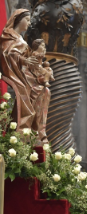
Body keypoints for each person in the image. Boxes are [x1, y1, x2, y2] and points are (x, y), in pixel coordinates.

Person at [0, 9, 50, 144]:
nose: (29, 23)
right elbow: (8, 53)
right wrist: (24, 61)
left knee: (44, 91)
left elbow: (28, 59)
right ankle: (22, 131)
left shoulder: (21, 39)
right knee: (27, 91)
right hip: (15, 73)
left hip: (24, 73)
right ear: (18, 19)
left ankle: (37, 131)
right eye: (27, 20)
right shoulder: (9, 35)